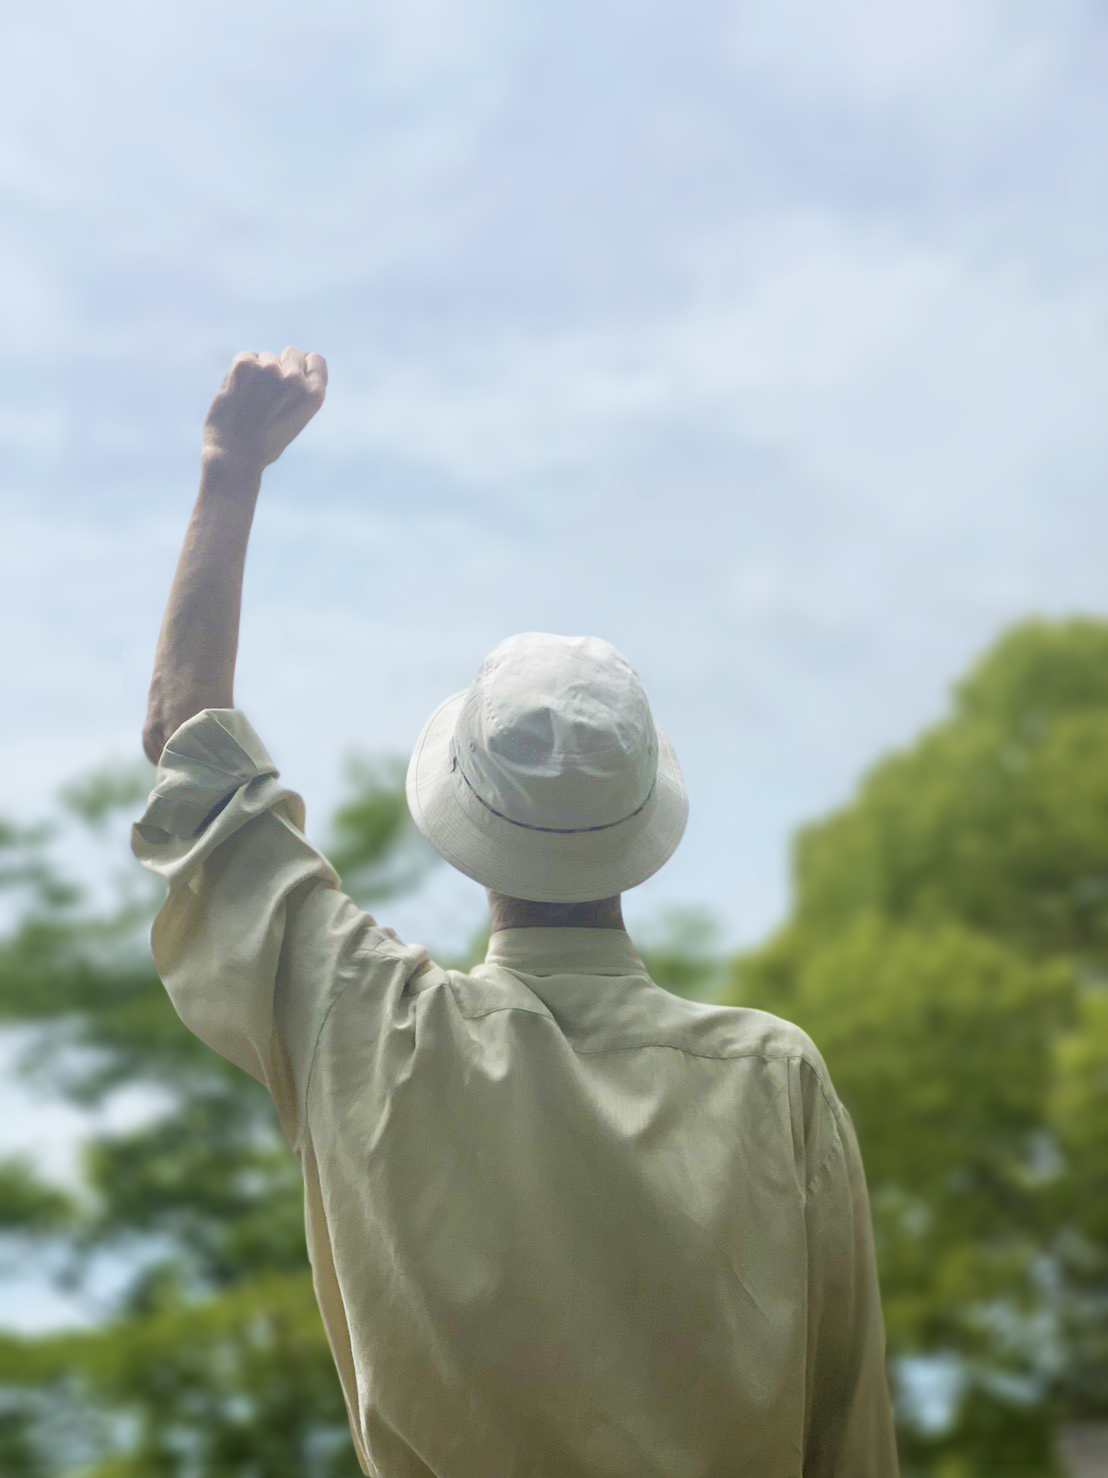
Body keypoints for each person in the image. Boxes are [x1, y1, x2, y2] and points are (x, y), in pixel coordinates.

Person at [133, 347, 901, 1477]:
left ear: (464, 816)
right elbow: (848, 1434)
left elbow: (185, 744)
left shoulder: (368, 1026)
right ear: (642, 814)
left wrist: (229, 468)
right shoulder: (775, 1078)